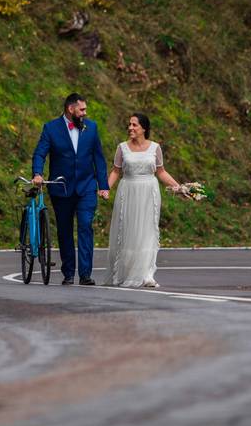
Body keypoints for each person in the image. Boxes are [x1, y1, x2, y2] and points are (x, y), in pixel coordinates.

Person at [32, 93, 110, 285]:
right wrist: (37, 174)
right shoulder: (51, 128)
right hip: (62, 187)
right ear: (70, 109)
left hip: (86, 187)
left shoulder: (91, 127)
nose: (85, 113)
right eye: (82, 109)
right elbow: (40, 153)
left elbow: (98, 158)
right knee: (64, 230)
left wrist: (103, 186)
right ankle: (68, 273)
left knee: (85, 225)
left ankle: (85, 275)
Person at [104, 113, 182, 288]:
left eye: (134, 125)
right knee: (128, 231)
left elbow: (161, 171)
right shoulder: (122, 147)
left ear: (144, 128)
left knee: (147, 232)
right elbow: (116, 171)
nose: (130, 128)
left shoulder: (155, 148)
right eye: (129, 124)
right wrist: (105, 188)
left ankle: (147, 274)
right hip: (128, 190)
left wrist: (178, 186)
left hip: (149, 191)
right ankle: (125, 272)